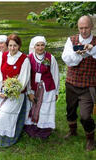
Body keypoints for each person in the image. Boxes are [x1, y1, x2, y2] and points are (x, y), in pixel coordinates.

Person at [62, 15, 96, 151]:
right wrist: (80, 54)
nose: (83, 31)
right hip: (71, 82)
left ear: (92, 26)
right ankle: (73, 131)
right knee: (70, 110)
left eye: (86, 27)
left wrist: (91, 49)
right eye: (81, 28)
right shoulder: (71, 40)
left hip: (88, 85)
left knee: (85, 115)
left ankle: (90, 139)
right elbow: (67, 59)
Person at [0, 34, 31, 147]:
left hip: (16, 94)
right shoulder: (3, 56)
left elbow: (23, 80)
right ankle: (1, 137)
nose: (12, 48)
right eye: (10, 45)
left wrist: (10, 92)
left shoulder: (24, 59)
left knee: (6, 115)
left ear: (19, 46)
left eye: (15, 46)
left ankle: (10, 137)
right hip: (1, 92)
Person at [24, 36, 60, 139]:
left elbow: (55, 74)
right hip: (34, 88)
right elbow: (27, 76)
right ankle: (32, 127)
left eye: (42, 45)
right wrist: (29, 91)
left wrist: (56, 91)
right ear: (34, 46)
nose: (40, 48)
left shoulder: (50, 57)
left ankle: (44, 129)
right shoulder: (29, 58)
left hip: (47, 88)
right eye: (38, 45)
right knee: (32, 106)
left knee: (45, 108)